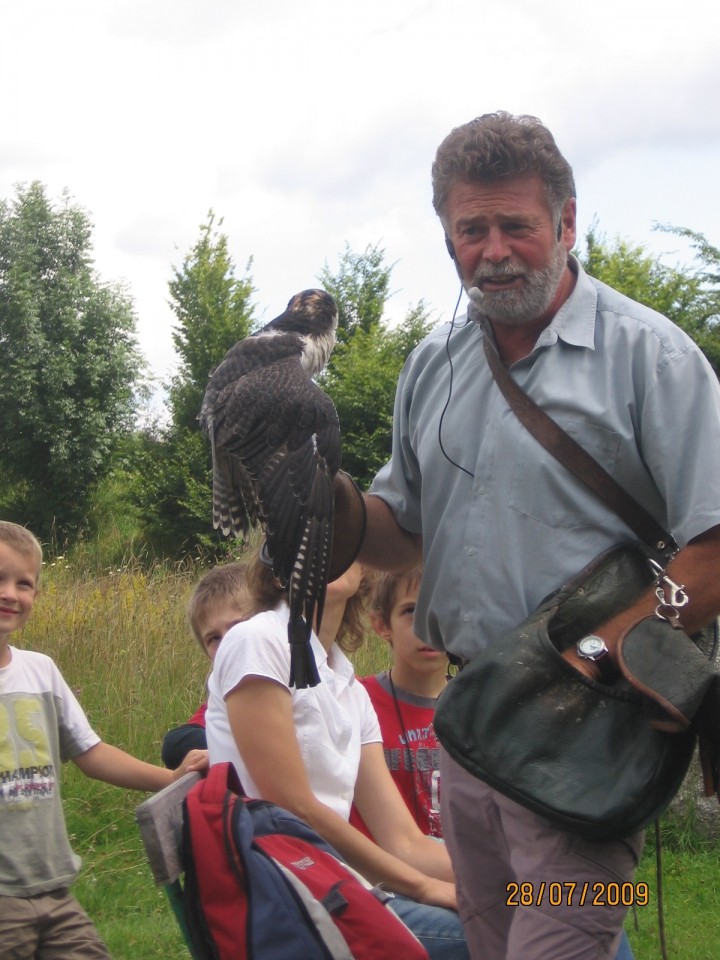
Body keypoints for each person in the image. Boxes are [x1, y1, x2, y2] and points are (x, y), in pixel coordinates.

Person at [353, 111, 720, 960]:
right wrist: (320, 506)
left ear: (565, 222)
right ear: (446, 236)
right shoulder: (430, 366)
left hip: (586, 740)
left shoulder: (650, 359)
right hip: (473, 730)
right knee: (496, 944)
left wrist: (603, 648)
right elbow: (399, 537)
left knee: (552, 945)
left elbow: (714, 548)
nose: (494, 250)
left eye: (515, 225)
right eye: (470, 229)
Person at [205, 551, 470, 960]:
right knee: (494, 935)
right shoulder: (257, 640)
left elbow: (403, 841)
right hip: (283, 897)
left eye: (342, 537)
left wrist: (516, 883)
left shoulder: (349, 688)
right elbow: (294, 808)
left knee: (551, 907)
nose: (326, 547)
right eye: (309, 538)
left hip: (335, 888)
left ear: (363, 566)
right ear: (277, 565)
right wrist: (427, 888)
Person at [0, 521, 207, 959]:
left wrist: (171, 777)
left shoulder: (40, 671)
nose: (11, 594)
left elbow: (91, 753)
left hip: (54, 886)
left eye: (24, 583)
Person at [350, 567, 447, 840]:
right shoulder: (357, 699)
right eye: (412, 610)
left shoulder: (476, 707)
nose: (428, 625)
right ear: (381, 625)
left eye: (440, 608)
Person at [161, 562, 256, 769]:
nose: (227, 644)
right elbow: (177, 742)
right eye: (214, 638)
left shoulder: (301, 676)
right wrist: (223, 751)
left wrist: (225, 750)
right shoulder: (226, 692)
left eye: (238, 627)